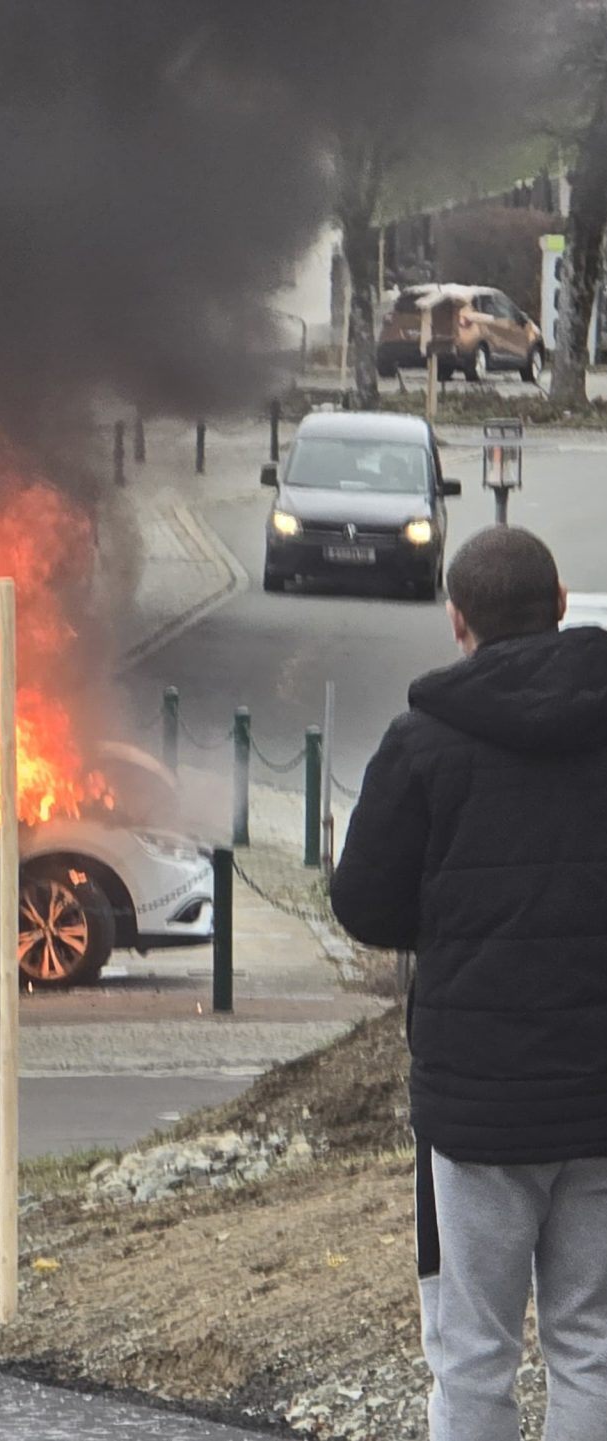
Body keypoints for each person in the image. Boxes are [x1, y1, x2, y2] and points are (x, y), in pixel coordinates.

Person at [330, 525, 607, 1441]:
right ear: (560, 605)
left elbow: (364, 904)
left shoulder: (422, 743)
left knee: (473, 1351)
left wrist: (449, 918)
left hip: (474, 1104)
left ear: (458, 623)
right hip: (599, 1099)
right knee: (590, 1342)